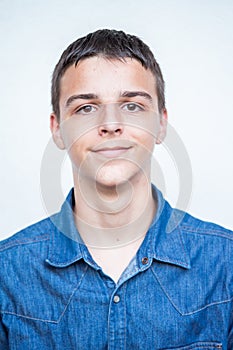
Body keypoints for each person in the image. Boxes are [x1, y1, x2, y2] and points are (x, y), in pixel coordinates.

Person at [0, 29, 232, 350]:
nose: (110, 123)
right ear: (58, 129)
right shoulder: (6, 273)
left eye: (132, 106)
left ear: (161, 124)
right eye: (86, 108)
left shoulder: (226, 265)